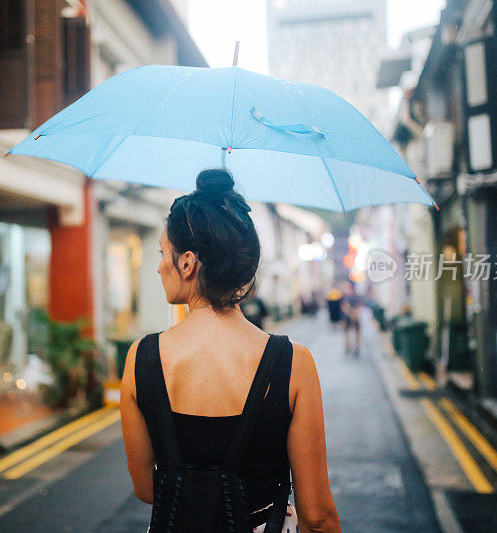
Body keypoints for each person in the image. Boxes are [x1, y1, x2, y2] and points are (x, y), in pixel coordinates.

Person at [120, 168, 340, 533]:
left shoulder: (141, 358)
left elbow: (147, 490)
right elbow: (317, 515)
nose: (159, 266)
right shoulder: (292, 362)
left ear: (187, 262)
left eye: (163, 253)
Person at [340, 282, 361, 357]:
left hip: (349, 317)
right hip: (351, 317)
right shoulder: (356, 297)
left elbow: (344, 307)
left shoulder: (345, 297)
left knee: (350, 333)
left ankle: (352, 347)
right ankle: (352, 347)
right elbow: (359, 307)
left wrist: (350, 313)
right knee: (352, 333)